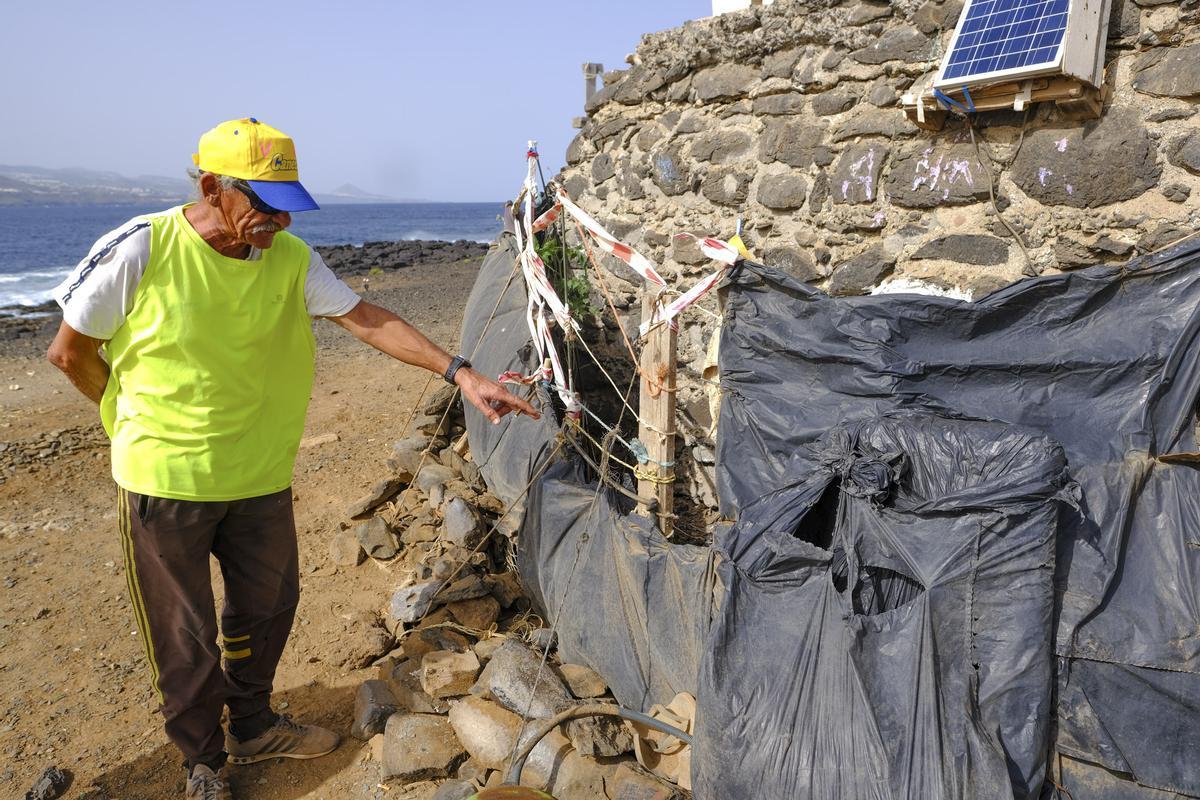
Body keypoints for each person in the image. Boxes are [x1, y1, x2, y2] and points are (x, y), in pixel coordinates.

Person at [46, 118, 538, 800]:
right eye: (263, 203)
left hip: (259, 477)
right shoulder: (144, 247)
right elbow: (69, 351)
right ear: (213, 187)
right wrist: (125, 419)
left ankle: (252, 723)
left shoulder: (291, 259)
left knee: (269, 606)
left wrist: (459, 372)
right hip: (164, 482)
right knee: (184, 634)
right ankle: (204, 761)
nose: (278, 219)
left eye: (288, 205)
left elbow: (365, 318)